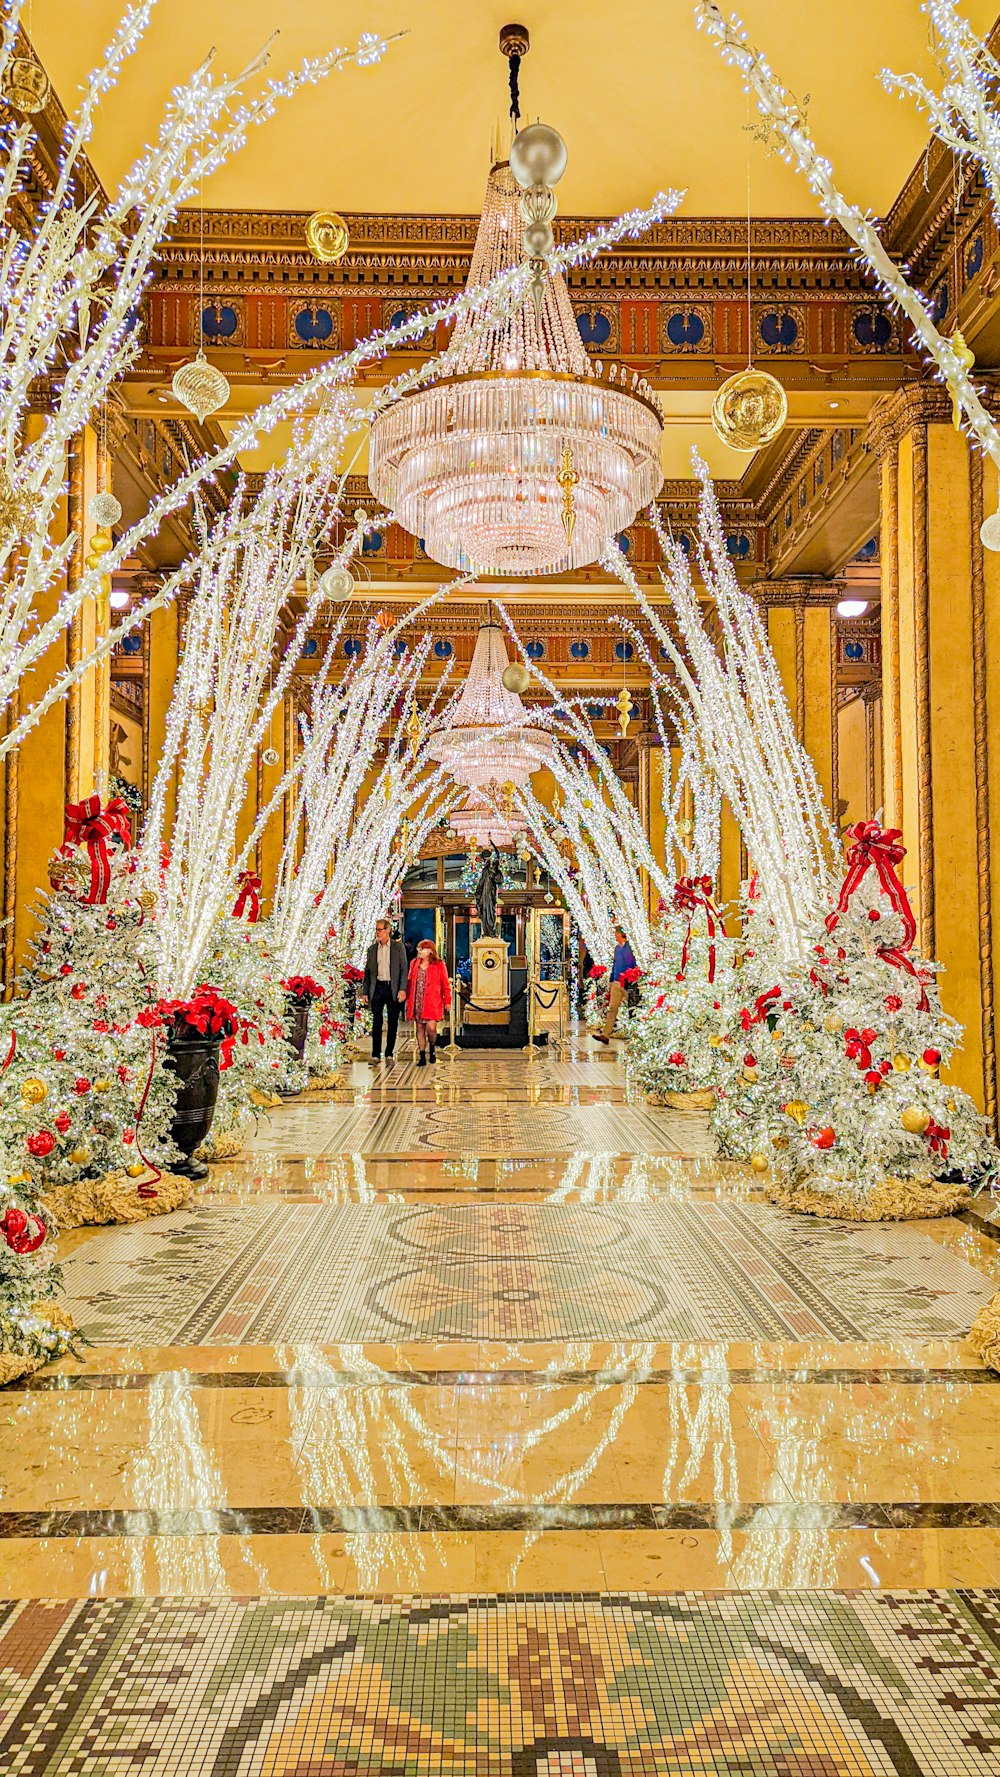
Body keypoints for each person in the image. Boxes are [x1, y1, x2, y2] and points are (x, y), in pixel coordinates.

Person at [361, 917, 408, 1064]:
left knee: (392, 1021)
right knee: (377, 1021)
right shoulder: (372, 949)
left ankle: (389, 1053)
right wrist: (365, 992)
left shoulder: (397, 947)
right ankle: (376, 1054)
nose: (378, 933)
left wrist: (402, 989)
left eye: (380, 929)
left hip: (392, 987)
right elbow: (368, 972)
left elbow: (403, 969)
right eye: (376, 930)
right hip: (378, 988)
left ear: (388, 930)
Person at [406, 938, 452, 1066]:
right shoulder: (414, 963)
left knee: (431, 1028)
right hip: (417, 1001)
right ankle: (422, 1055)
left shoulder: (438, 964)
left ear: (430, 951)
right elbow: (409, 981)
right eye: (419, 948)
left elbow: (445, 984)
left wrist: (447, 1000)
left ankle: (432, 1047)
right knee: (419, 1028)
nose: (420, 951)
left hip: (432, 1002)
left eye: (423, 949)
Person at [592, 924, 636, 1045]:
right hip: (617, 982)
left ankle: (635, 1035)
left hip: (627, 982)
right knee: (612, 1009)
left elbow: (632, 964)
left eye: (616, 933)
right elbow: (614, 964)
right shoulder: (617, 948)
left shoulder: (630, 948)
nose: (615, 935)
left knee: (633, 1009)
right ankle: (605, 1035)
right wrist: (611, 980)